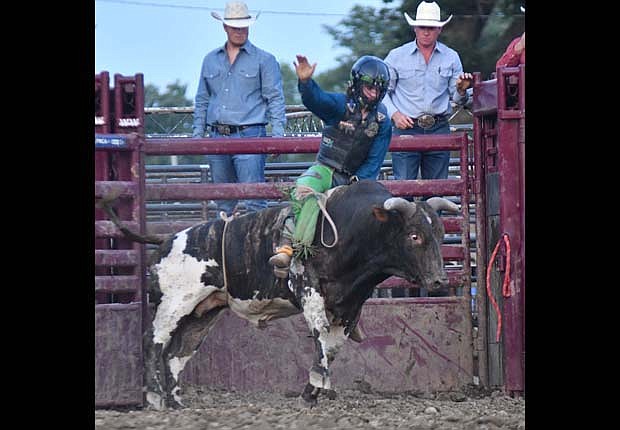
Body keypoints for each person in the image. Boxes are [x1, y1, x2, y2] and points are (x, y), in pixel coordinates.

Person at [268, 54, 392, 278]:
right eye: (369, 88)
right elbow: (317, 100)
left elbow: (375, 159)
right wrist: (306, 83)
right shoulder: (339, 105)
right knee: (304, 188)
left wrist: (360, 182)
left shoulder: (383, 121)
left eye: (378, 89)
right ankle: (293, 247)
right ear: (357, 85)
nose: (373, 93)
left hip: (354, 178)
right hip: (326, 167)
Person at [192, 1, 286, 216]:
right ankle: (223, 248)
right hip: (217, 134)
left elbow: (275, 99)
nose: (240, 31)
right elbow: (202, 99)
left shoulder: (265, 60)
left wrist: (278, 137)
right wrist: (198, 136)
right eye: (235, 27)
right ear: (225, 27)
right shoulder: (210, 60)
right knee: (223, 202)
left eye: (244, 27)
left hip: (250, 134)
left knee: (254, 199)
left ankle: (257, 248)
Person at [382, 1, 470, 182]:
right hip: (405, 126)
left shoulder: (451, 57)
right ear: (415, 28)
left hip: (438, 126)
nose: (426, 31)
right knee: (404, 186)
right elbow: (382, 92)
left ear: (439, 29)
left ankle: (432, 211)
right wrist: (395, 114)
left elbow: (458, 98)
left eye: (431, 27)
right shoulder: (396, 56)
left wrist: (461, 90)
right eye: (422, 27)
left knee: (436, 189)